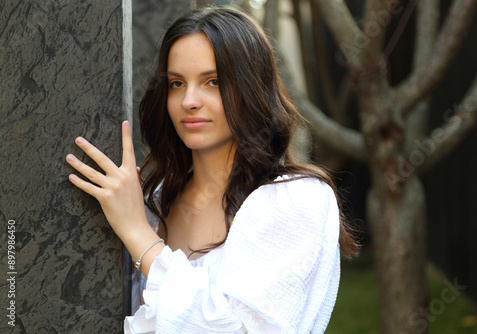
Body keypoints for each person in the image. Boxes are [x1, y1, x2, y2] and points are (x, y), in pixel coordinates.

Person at [66, 7, 358, 333]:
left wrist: (139, 236)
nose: (189, 100)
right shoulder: (155, 202)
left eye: (213, 81)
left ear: (252, 89)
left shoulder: (294, 200)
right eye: (177, 83)